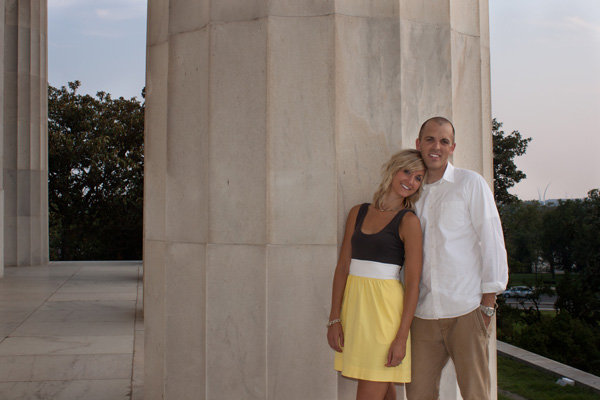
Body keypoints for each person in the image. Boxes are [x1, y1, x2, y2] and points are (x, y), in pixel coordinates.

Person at [405, 117, 509, 400]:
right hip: (423, 313)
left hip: (466, 309)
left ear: (452, 148)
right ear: (418, 144)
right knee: (417, 394)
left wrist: (488, 303)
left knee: (476, 395)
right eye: (429, 139)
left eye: (444, 141)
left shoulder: (469, 183)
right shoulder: (412, 191)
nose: (436, 146)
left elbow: (491, 239)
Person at [327, 149, 426, 400]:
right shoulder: (357, 212)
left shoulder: (408, 222)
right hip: (355, 310)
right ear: (393, 170)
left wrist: (401, 337)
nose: (410, 181)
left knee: (372, 388)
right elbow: (342, 268)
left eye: (418, 178)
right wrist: (334, 318)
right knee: (384, 389)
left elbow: (413, 284)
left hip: (385, 315)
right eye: (407, 172)